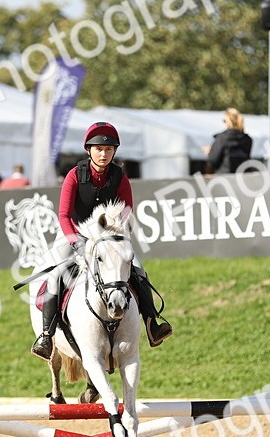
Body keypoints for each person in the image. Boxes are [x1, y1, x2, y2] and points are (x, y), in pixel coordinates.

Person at [31, 121, 173, 360]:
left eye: (108, 150)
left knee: (138, 270)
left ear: (114, 152)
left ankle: (152, 325)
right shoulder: (74, 176)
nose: (103, 153)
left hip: (107, 238)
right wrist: (76, 241)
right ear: (89, 150)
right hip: (75, 233)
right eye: (98, 149)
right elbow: (64, 215)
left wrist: (114, 236)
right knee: (56, 275)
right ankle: (46, 335)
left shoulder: (120, 177)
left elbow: (127, 210)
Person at [203, 108, 253, 173]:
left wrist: (211, 151)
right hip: (242, 178)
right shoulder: (248, 139)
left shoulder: (222, 138)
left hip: (225, 177)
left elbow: (213, 160)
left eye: (224, 120)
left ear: (228, 121)